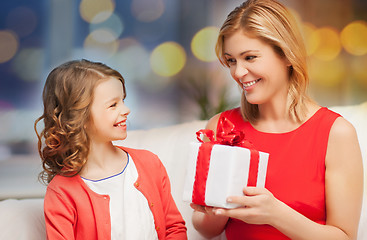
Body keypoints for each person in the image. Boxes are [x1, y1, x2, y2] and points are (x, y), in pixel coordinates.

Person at [190, 0, 363, 239]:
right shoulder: (222, 126)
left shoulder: (336, 132)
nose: (238, 73)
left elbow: (344, 236)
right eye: (231, 60)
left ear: (287, 56)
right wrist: (218, 206)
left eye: (250, 57)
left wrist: (274, 213)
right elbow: (205, 229)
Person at [34, 59, 187, 240]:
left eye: (123, 100)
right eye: (113, 105)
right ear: (77, 117)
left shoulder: (149, 163)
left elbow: (174, 228)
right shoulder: (61, 192)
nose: (126, 109)